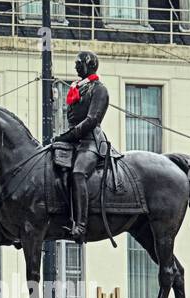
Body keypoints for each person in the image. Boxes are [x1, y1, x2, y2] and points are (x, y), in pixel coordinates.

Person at [53, 50, 110, 243]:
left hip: (90, 142)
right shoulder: (79, 87)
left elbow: (92, 119)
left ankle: (81, 225)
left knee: (78, 173)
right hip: (74, 141)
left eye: (79, 63)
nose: (76, 66)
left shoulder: (99, 89)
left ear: (89, 65)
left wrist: (70, 135)